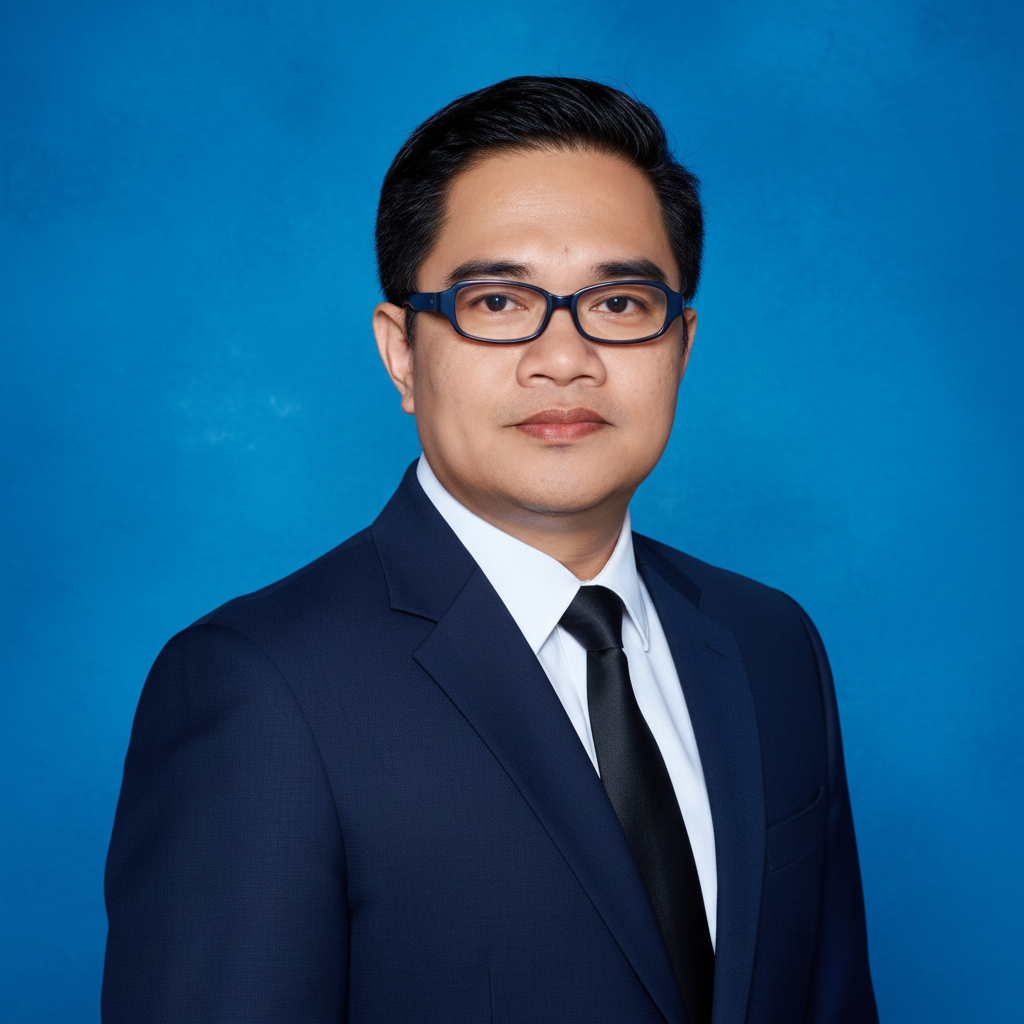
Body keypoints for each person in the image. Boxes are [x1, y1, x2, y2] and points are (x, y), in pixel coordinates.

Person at [102, 76, 877, 1023]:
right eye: (500, 301)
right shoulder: (259, 687)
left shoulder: (769, 642)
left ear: (681, 345)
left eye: (622, 304)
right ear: (401, 351)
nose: (564, 357)